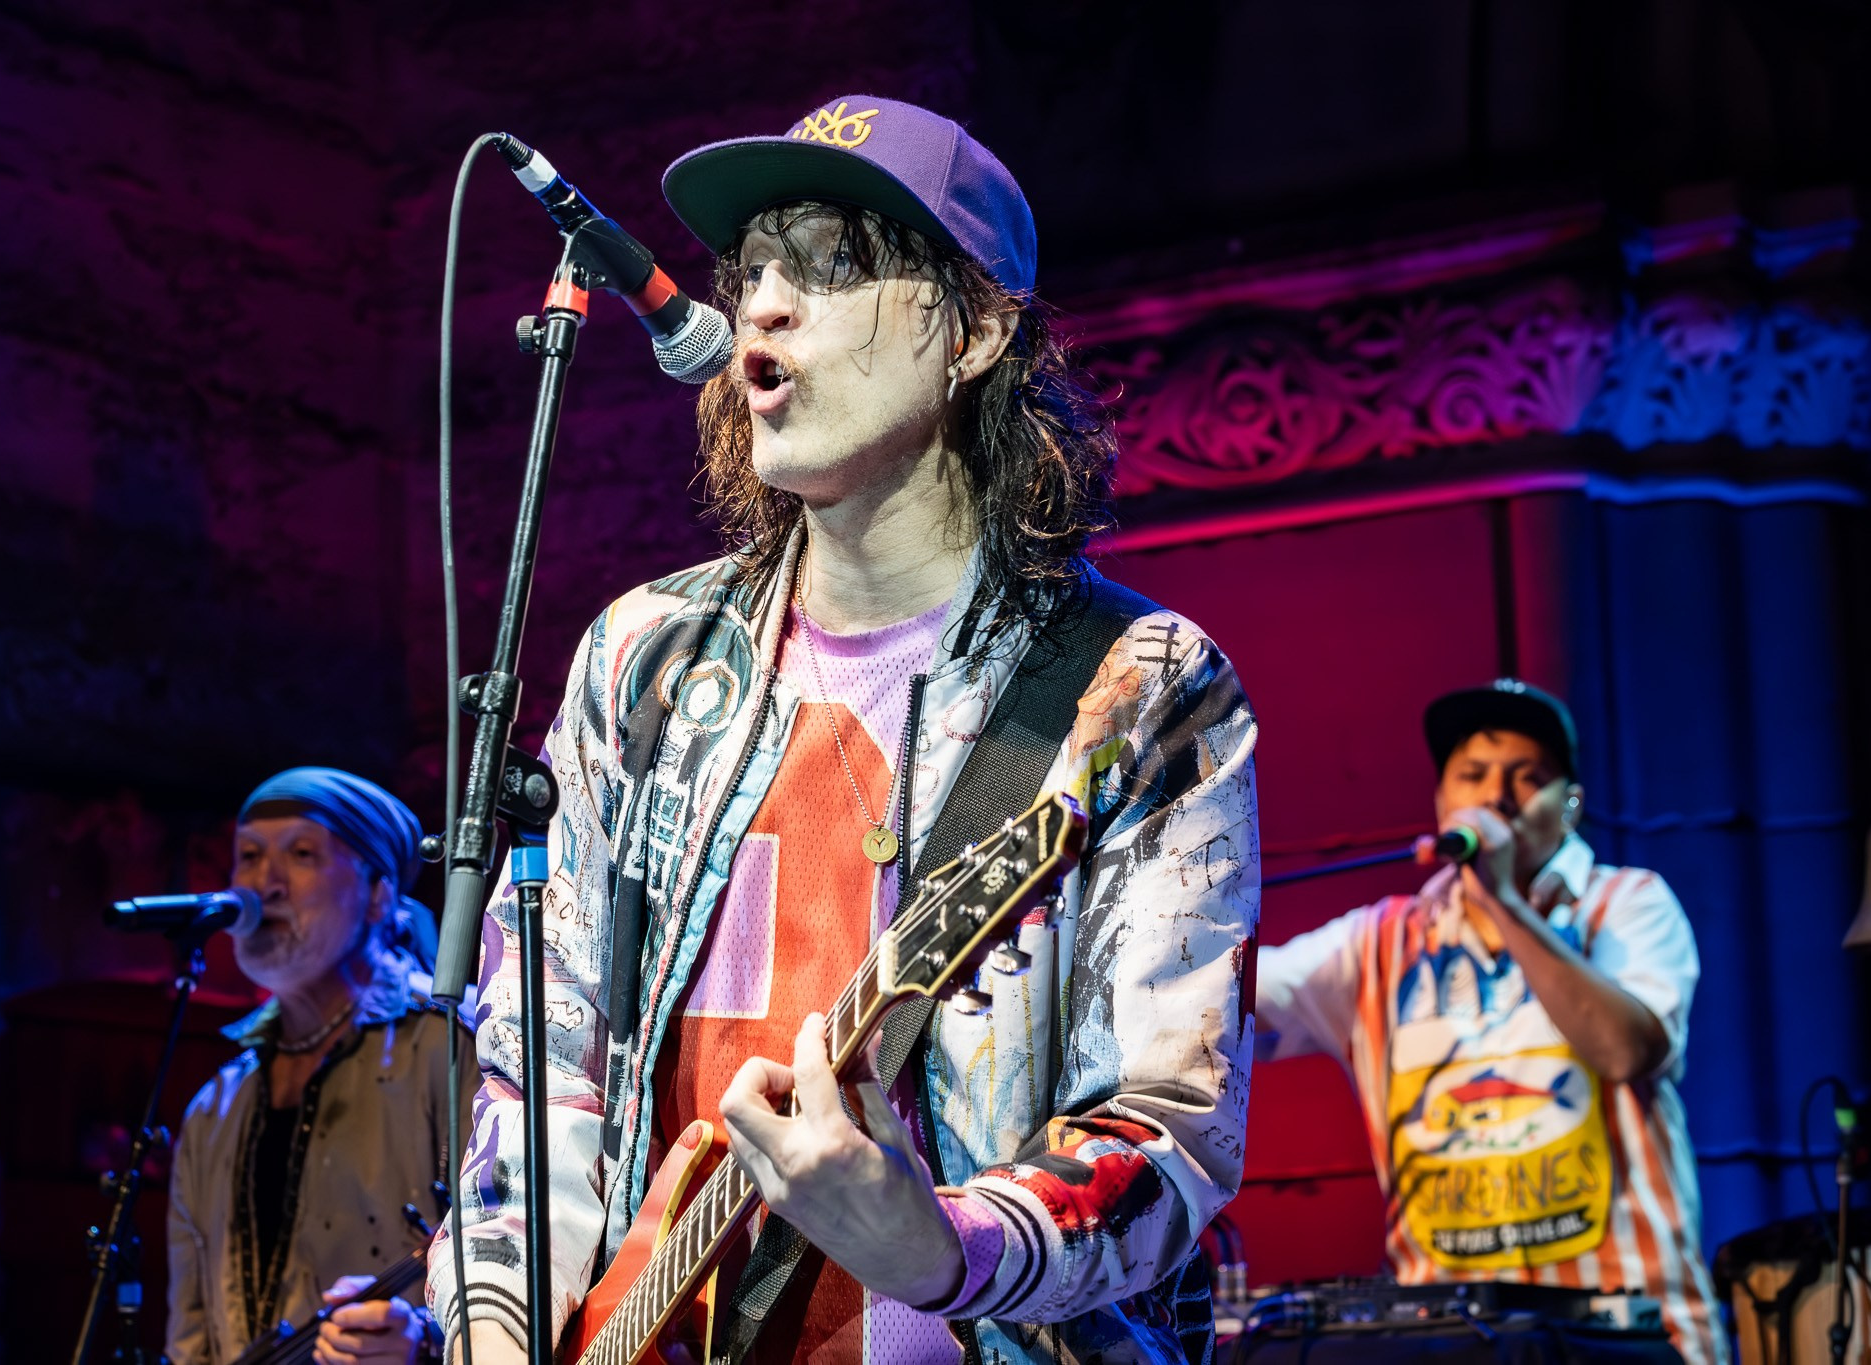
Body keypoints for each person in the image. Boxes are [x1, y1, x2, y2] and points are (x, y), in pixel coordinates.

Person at [427, 96, 1260, 1363]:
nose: (761, 304)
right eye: (752, 267)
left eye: (829, 264)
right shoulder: (642, 660)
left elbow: (1164, 1129)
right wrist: (496, 1329)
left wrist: (936, 1248)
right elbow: (543, 1069)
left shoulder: (1134, 688)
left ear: (975, 330)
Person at [1255, 680, 1726, 1362]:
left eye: (1525, 776)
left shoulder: (1627, 905)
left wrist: (1501, 896)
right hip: (1453, 1339)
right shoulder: (1376, 942)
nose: (1496, 794)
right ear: (1442, 802)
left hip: (1630, 1334)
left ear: (1569, 805)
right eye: (1471, 774)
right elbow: (1230, 996)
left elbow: (1625, 1049)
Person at [166, 767, 481, 1364]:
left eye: (302, 854)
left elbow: (529, 1264)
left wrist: (427, 1344)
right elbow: (192, 1337)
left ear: (377, 894)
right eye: (250, 857)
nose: (264, 886)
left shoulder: (455, 1044)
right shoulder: (214, 1107)